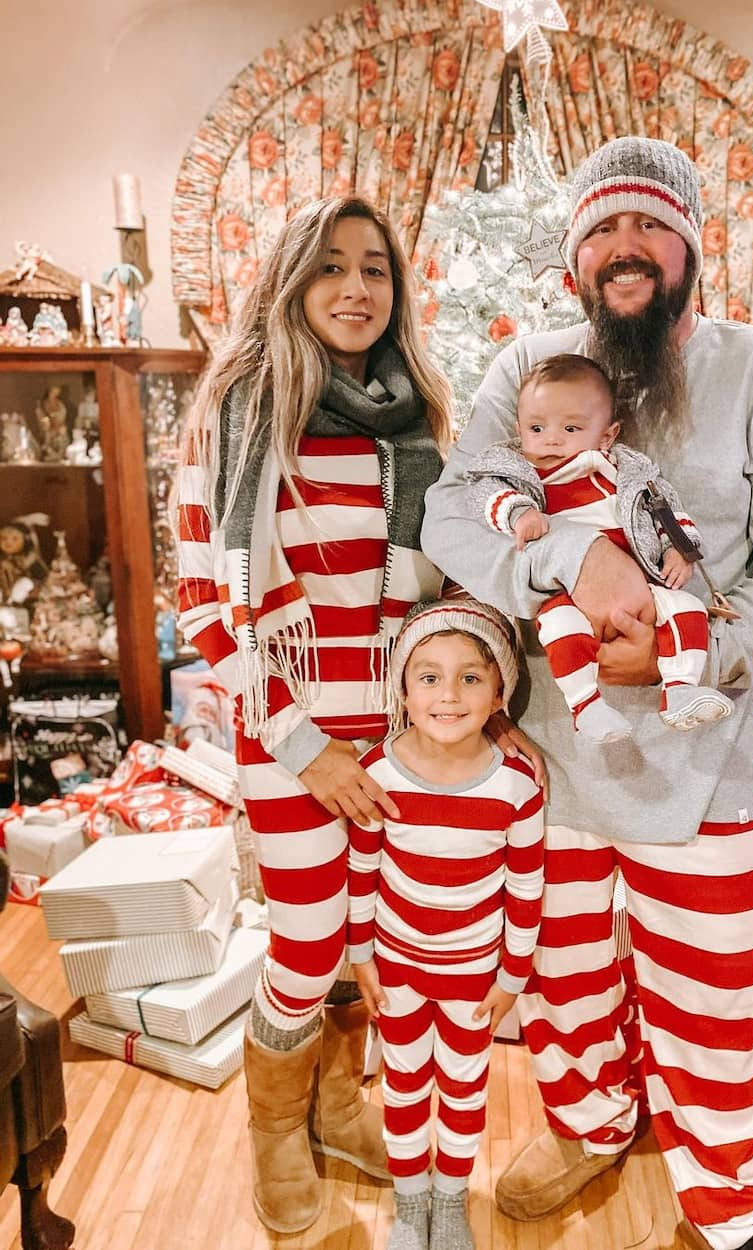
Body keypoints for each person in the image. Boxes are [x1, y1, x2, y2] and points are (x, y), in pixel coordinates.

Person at [422, 137, 753, 1250]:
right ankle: (591, 1120)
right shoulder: (530, 366)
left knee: (711, 998)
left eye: (647, 225)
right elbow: (456, 508)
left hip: (703, 763)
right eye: (601, 229)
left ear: (688, 247)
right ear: (573, 258)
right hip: (558, 753)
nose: (625, 247)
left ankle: (728, 1196)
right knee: (564, 974)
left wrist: (694, 653)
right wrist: (563, 561)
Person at [174, 195, 453, 1235]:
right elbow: (206, 600)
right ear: (293, 280)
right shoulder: (240, 408)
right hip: (286, 730)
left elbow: (437, 589)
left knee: (371, 935)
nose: (354, 288)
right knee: (305, 941)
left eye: (374, 268)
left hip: (397, 731)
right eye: (331, 266)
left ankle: (339, 1104)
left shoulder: (413, 413)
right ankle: (275, 1133)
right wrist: (304, 744)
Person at [348, 598, 545, 1250]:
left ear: (499, 694)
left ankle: (451, 1200)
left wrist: (513, 974)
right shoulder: (378, 771)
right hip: (398, 968)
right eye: (428, 676)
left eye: (470, 677)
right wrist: (362, 957)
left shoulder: (516, 784)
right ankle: (411, 1204)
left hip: (474, 975)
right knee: (404, 1087)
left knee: (463, 1090)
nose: (448, 694)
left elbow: (526, 885)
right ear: (404, 689)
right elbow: (363, 871)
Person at [464, 352, 732, 741]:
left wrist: (680, 551)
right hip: (569, 593)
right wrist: (519, 513)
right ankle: (586, 706)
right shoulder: (521, 472)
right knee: (558, 627)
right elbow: (485, 494)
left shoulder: (629, 473)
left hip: (642, 584)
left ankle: (680, 689)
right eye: (536, 428)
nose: (552, 439)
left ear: (607, 435)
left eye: (571, 428)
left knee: (686, 608)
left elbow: (667, 511)